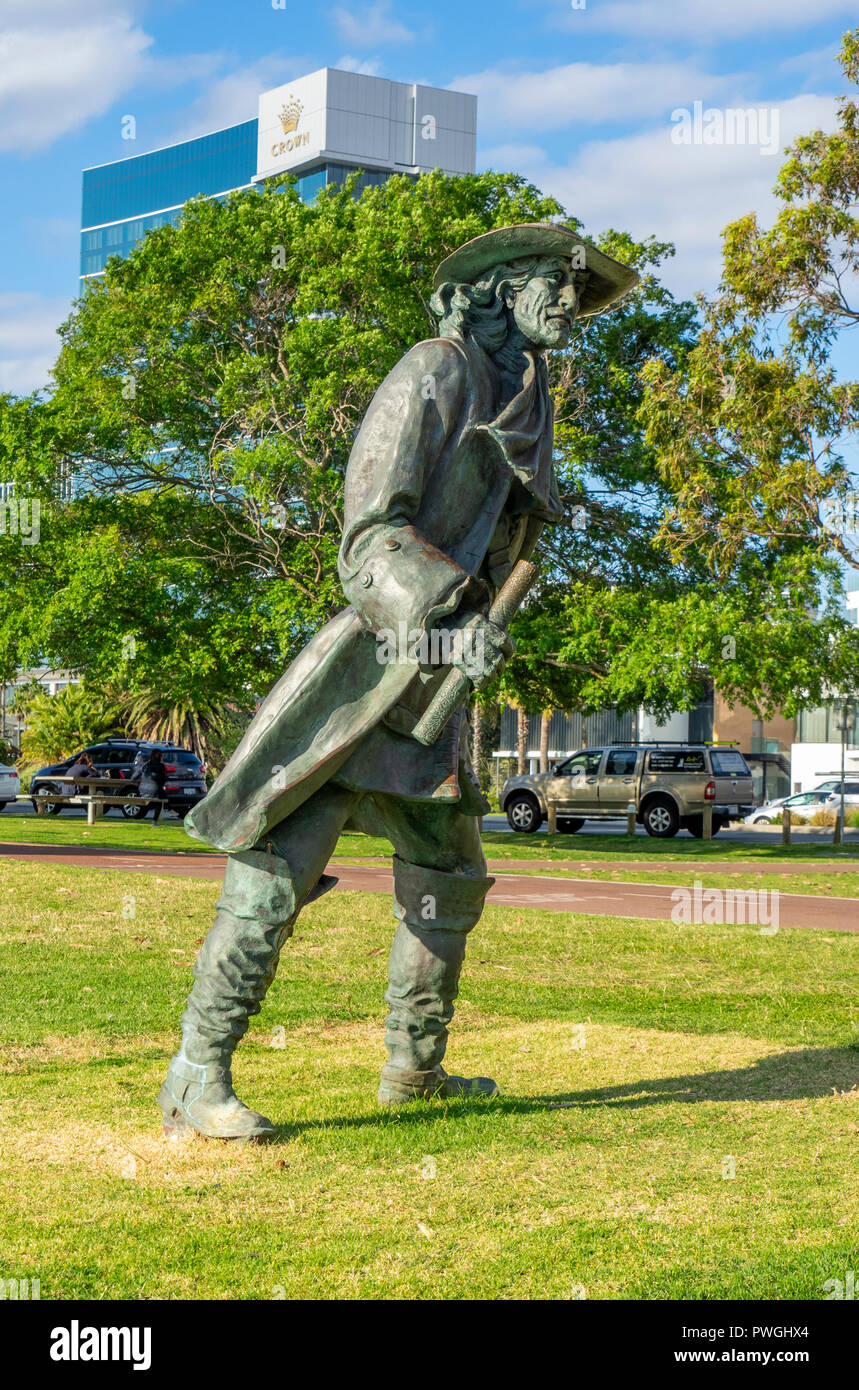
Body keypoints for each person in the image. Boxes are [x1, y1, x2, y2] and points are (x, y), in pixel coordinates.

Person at [159, 222, 638, 1141]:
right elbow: (371, 533)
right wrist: (449, 614)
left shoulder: (529, 394)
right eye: (555, 284)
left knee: (447, 879)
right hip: (372, 677)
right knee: (275, 878)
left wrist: (483, 623)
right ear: (500, 287)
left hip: (439, 692)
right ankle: (195, 1075)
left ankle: (414, 1071)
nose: (569, 306)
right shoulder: (433, 370)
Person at [136, 749, 167, 823]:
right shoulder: (161, 766)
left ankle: (170, 809)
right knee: (160, 800)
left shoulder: (146, 765)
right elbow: (163, 779)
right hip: (155, 790)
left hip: (143, 789)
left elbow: (137, 776)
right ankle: (155, 820)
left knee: (153, 801)